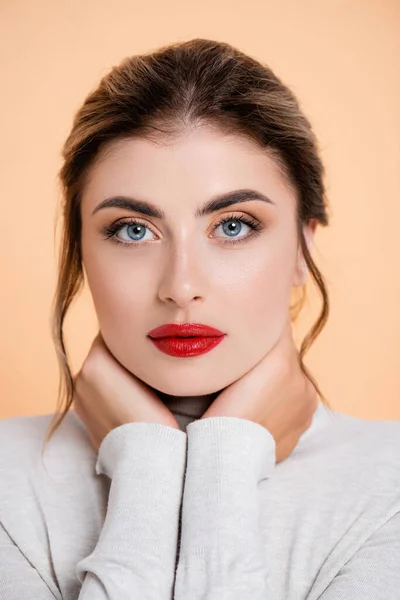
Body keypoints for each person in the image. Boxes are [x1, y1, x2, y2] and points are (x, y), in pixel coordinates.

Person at [0, 38, 399, 600]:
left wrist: (224, 464)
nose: (181, 288)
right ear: (82, 253)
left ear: (302, 252)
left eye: (233, 226)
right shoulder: (6, 485)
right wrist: (145, 466)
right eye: (133, 229)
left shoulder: (390, 488)